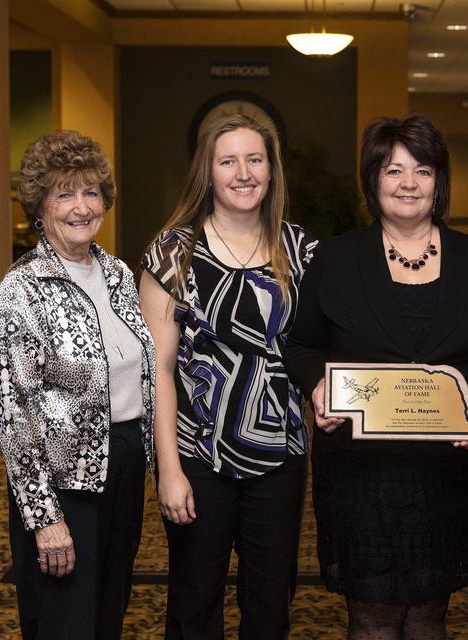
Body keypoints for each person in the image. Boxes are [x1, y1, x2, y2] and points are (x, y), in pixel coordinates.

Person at [283, 114, 468, 640]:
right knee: (370, 616)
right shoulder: (336, 258)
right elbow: (300, 344)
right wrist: (319, 386)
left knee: (429, 615)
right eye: (393, 170)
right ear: (373, 181)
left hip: (443, 471)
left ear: (440, 182)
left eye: (423, 169)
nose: (409, 183)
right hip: (358, 473)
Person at [139, 114, 317, 640]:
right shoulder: (174, 253)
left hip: (281, 455)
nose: (244, 172)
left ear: (271, 169)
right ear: (208, 173)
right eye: (228, 161)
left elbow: (314, 354)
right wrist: (169, 469)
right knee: (195, 601)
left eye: (255, 159)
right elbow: (159, 373)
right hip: (197, 455)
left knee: (271, 604)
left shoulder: (300, 250)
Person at [0, 129, 156, 639]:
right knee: (64, 624)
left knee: (110, 614)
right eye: (64, 194)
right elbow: (15, 415)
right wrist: (44, 517)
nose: (81, 207)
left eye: (90, 192)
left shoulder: (119, 275)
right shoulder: (21, 289)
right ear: (39, 207)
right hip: (63, 482)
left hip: (124, 464)